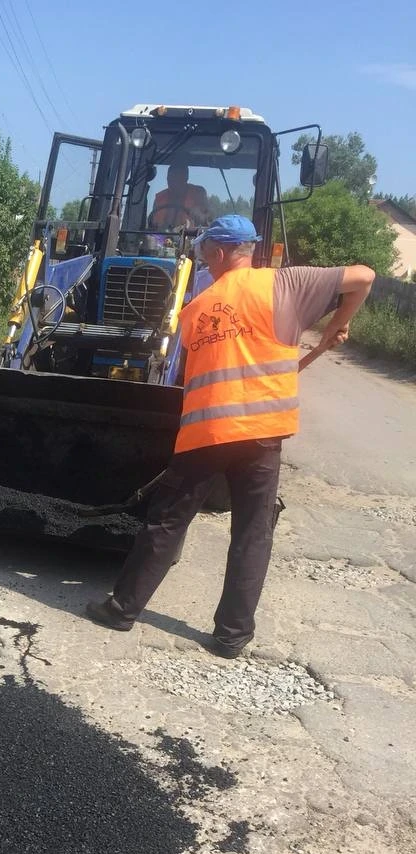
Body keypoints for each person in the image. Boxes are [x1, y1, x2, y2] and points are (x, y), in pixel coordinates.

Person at [85, 214, 374, 658]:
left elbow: (195, 375)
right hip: (263, 434)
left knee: (167, 522)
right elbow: (364, 278)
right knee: (253, 532)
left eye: (204, 254)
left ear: (221, 252)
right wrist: (340, 321)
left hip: (207, 433)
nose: (203, 262)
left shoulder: (195, 310)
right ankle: (232, 636)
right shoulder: (286, 284)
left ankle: (122, 610)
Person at [149, 164, 211, 231]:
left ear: (186, 178)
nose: (173, 183)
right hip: (160, 239)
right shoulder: (159, 198)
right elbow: (152, 226)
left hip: (189, 239)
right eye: (170, 179)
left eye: (177, 179)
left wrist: (200, 216)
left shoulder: (198, 194)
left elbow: (207, 222)